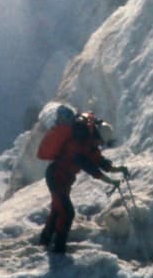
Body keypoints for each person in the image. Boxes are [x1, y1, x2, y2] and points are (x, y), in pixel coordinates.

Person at [37, 105, 129, 254]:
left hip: (62, 179)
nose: (99, 144)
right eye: (99, 141)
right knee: (66, 212)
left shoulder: (87, 143)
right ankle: (58, 249)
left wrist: (118, 169)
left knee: (58, 210)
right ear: (96, 135)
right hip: (57, 178)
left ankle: (44, 241)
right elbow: (91, 168)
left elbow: (99, 161)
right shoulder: (79, 147)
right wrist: (110, 181)